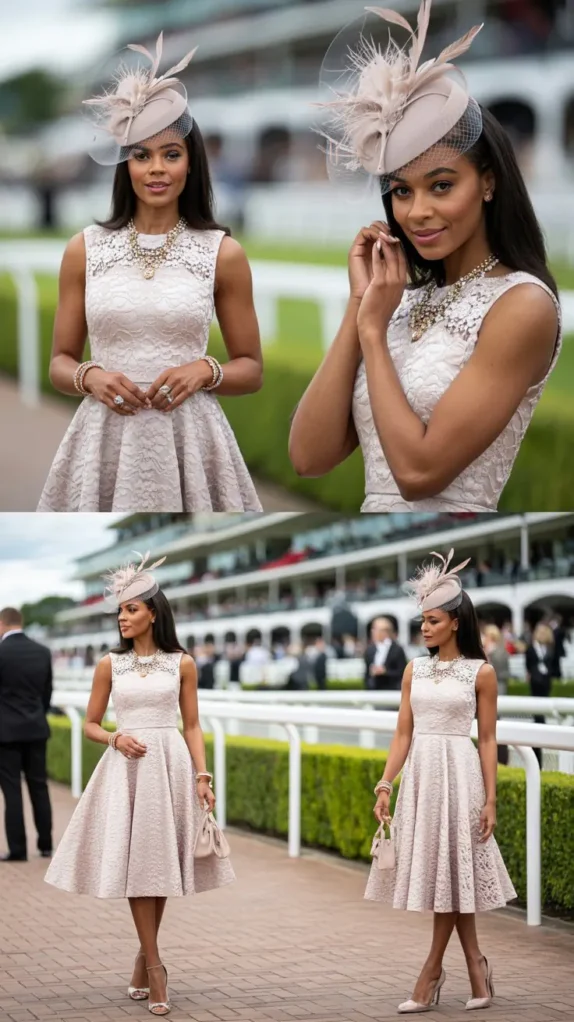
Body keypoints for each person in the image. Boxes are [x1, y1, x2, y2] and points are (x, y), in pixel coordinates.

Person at [289, 0, 561, 512]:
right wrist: (361, 306)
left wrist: (373, 332)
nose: (417, 212)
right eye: (401, 191)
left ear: (488, 182)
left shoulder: (521, 305)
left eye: (441, 185)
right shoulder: (398, 302)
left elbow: (418, 474)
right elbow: (308, 456)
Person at [37, 32, 263, 513]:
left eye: (171, 154)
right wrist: (89, 376)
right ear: (126, 164)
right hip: (103, 436)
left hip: (191, 438)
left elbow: (252, 368)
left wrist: (205, 369)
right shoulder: (84, 249)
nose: (156, 169)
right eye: (142, 155)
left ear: (190, 163)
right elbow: (59, 361)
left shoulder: (222, 253)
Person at [45, 553, 234, 1015]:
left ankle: (141, 959)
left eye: (130, 609)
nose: (122, 618)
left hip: (169, 767)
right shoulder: (110, 664)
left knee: (160, 865)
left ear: (153, 611)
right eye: (119, 611)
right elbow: (89, 724)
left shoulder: (182, 663)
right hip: (125, 769)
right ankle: (155, 969)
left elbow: (192, 725)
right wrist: (115, 737)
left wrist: (202, 775)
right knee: (137, 868)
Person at [366, 550, 516, 1013]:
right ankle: (476, 965)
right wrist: (386, 782)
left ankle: (430, 973)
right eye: (421, 622)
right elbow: (403, 732)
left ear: (455, 622)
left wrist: (490, 799)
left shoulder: (482, 673)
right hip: (422, 778)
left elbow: (488, 740)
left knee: (453, 875)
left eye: (432, 621)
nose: (424, 629)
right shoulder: (415, 668)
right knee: (447, 876)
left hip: (460, 774)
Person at [0, 608, 53, 862]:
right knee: (39, 786)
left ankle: (18, 850)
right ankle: (45, 844)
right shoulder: (42, 651)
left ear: (2, 624)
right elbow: (47, 694)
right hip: (36, 728)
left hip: (5, 732)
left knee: (12, 790)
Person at [525, 622, 555, 767]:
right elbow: (528, 664)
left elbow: (553, 665)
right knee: (537, 712)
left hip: (545, 682)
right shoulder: (532, 649)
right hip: (535, 682)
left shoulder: (548, 649)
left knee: (543, 709)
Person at [482, 624, 510, 765]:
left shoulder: (498, 652)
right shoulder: (491, 651)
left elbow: (502, 673)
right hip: (490, 692)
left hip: (498, 691)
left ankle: (501, 758)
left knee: (496, 726)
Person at [364, 617, 407, 690]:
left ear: (385, 632)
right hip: (374, 690)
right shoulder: (370, 650)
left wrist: (385, 671)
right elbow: (367, 674)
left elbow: (402, 672)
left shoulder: (397, 650)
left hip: (392, 690)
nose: (373, 632)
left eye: (376, 629)